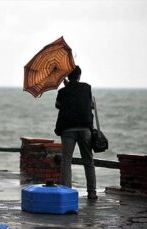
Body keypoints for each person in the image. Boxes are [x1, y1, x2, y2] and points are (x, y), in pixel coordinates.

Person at [54, 65, 98, 200]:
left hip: (67, 130)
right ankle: (92, 192)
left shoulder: (63, 92)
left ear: (67, 77)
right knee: (88, 161)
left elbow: (58, 105)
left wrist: (67, 88)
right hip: (85, 129)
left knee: (66, 161)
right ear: (79, 76)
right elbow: (89, 104)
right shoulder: (87, 88)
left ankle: (67, 191)